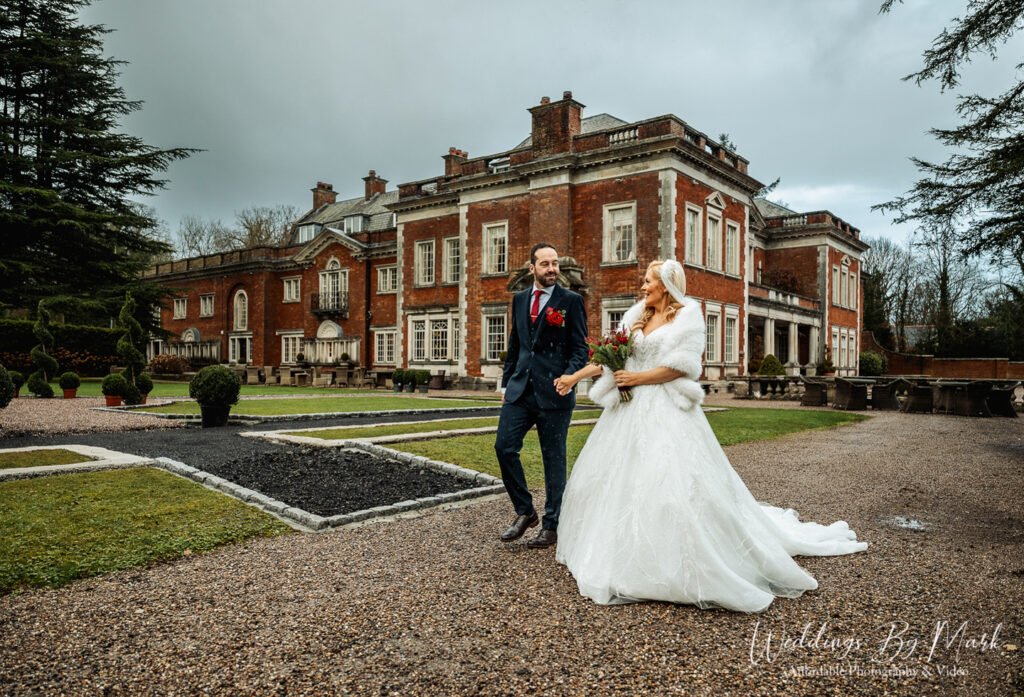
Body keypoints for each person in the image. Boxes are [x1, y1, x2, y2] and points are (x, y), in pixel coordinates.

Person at [552, 259, 867, 611]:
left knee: (671, 484)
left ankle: (675, 559)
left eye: (648, 282)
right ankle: (612, 549)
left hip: (665, 407)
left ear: (666, 285)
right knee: (613, 481)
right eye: (644, 281)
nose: (643, 287)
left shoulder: (688, 315)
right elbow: (610, 355)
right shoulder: (636, 314)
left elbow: (680, 367)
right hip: (626, 412)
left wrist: (637, 379)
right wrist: (574, 377)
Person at [494, 242, 590, 548]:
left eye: (555, 264)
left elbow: (580, 348)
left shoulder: (570, 300)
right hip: (520, 391)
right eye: (545, 264)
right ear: (532, 267)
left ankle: (552, 525)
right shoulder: (520, 299)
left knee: (554, 460)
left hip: (555, 393)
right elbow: (517, 345)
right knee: (504, 448)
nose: (552, 269)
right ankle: (525, 512)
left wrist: (570, 376)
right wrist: (505, 383)